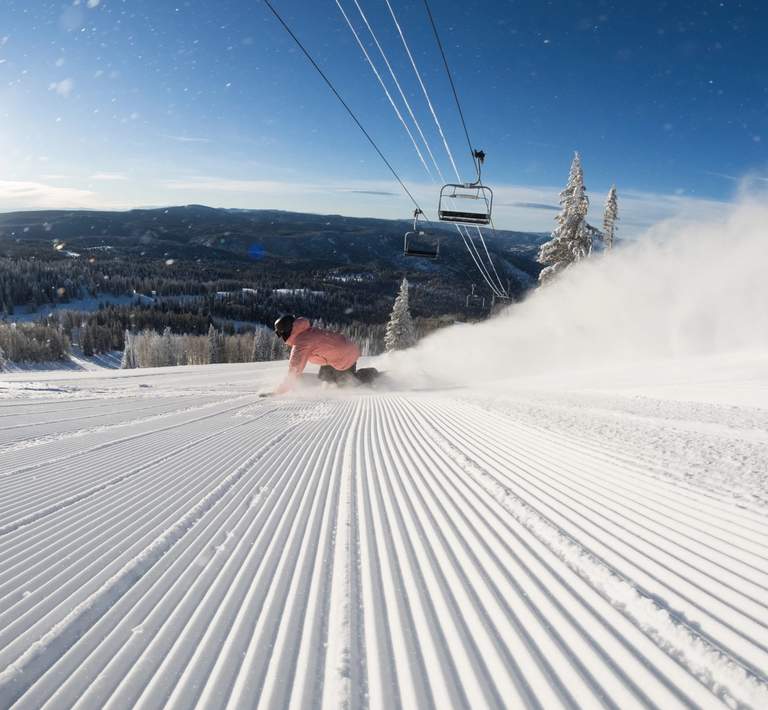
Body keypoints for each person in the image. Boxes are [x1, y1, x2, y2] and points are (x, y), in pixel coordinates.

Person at [272, 314, 362, 394]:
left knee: (346, 386)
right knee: (325, 381)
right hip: (337, 355)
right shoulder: (306, 332)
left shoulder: (302, 341)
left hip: (344, 357)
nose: (282, 338)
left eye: (281, 334)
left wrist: (280, 391)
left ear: (287, 331)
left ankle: (371, 377)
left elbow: (294, 368)